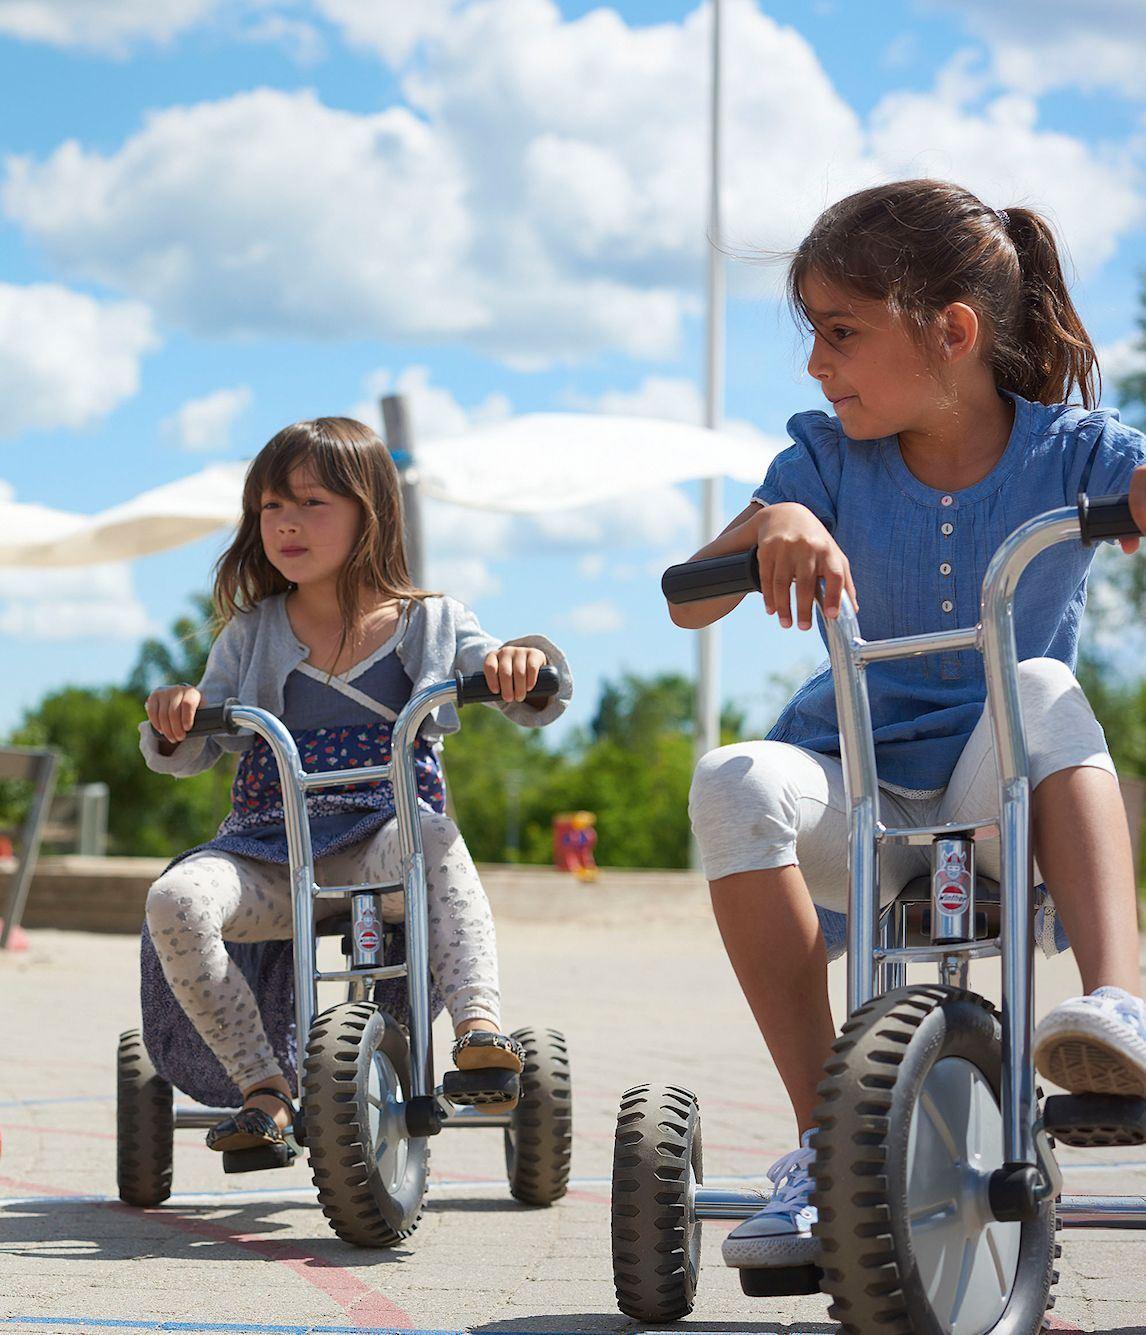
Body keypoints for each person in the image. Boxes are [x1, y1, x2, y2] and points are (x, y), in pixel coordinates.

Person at [676, 179, 1146, 1272]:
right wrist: (779, 521)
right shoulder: (825, 461)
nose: (815, 364)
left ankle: (1118, 1007)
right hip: (859, 794)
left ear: (953, 332)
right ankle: (827, 1143)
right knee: (733, 778)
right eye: (812, 334)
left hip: (1001, 796)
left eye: (841, 332)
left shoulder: (1072, 450)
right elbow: (688, 600)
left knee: (1040, 683)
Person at [141, 416, 572, 1155]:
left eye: (312, 502)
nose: (286, 522)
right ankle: (263, 1086)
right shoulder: (251, 633)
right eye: (271, 506)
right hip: (272, 854)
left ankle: (478, 1028)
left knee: (432, 836)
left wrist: (520, 663)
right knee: (174, 899)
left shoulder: (430, 622)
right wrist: (177, 715)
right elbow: (191, 745)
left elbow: (525, 687)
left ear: (369, 512)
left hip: (385, 849)